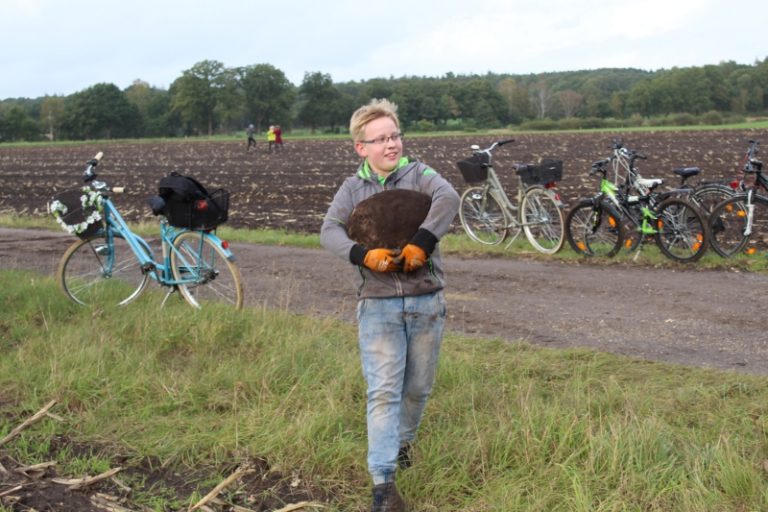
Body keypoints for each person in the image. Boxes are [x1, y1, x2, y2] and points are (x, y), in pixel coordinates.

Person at [320, 98, 460, 512]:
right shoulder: (352, 189)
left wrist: (422, 243)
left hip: (426, 299)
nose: (391, 144)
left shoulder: (420, 175)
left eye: (395, 135)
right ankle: (383, 486)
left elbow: (449, 197)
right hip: (378, 305)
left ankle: (402, 444)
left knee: (417, 388)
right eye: (380, 139)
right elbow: (329, 231)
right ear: (361, 147)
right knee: (383, 392)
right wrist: (363, 256)